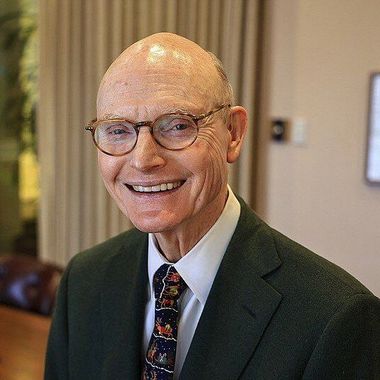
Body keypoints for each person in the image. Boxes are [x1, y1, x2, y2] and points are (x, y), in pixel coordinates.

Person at [45, 32, 380, 380]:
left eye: (177, 126)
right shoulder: (83, 280)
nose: (143, 160)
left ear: (233, 133)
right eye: (117, 131)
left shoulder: (335, 317)